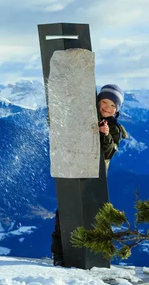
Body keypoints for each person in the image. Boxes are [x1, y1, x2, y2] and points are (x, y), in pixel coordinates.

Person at [51, 84, 129, 266]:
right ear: (97, 101)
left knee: (93, 216)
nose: (107, 108)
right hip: (74, 171)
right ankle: (59, 255)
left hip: (95, 180)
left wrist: (105, 135)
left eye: (112, 105)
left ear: (117, 109)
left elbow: (109, 153)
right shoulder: (87, 118)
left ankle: (96, 257)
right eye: (104, 102)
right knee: (65, 213)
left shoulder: (116, 129)